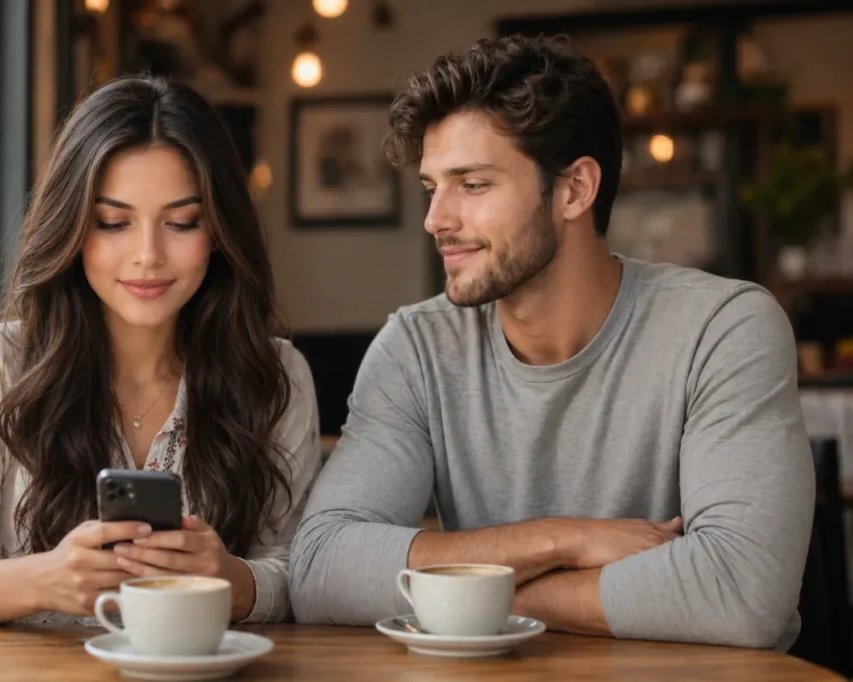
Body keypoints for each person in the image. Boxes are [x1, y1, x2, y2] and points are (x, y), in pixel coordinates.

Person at [288, 35, 814, 650]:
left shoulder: (722, 329)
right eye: (433, 188)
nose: (436, 220)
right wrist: (561, 538)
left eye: (473, 184)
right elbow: (320, 567)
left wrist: (479, 597)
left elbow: (741, 594)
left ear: (574, 189)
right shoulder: (417, 348)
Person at [0, 75, 321, 626]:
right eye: (113, 222)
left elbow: (302, 572)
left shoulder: (275, 375)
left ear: (221, 230)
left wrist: (236, 582)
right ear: (73, 225)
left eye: (182, 222)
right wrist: (46, 579)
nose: (148, 255)